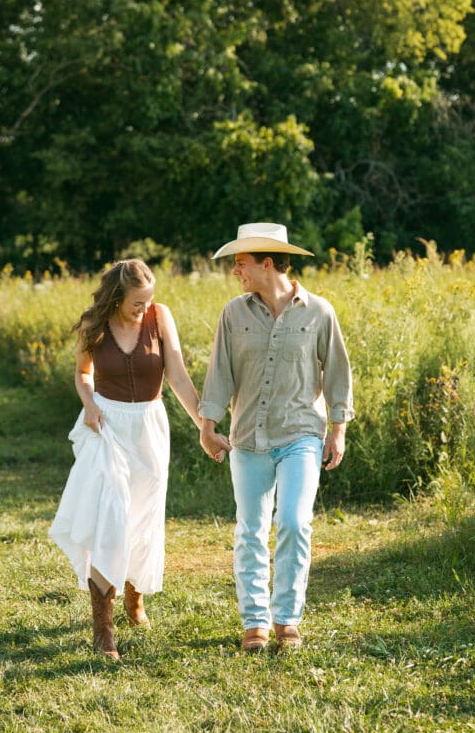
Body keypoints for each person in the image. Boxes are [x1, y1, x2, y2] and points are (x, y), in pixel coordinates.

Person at [199, 223, 354, 652]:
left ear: (267, 264)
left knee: (292, 521)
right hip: (247, 437)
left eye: (241, 263)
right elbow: (220, 372)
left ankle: (287, 618)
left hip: (301, 433)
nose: (236, 272)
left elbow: (338, 373)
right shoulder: (234, 313)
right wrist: (207, 426)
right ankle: (255, 623)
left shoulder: (319, 311)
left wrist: (337, 429)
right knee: (250, 529)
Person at [49, 258, 204, 661]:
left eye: (148, 300)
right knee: (111, 517)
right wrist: (88, 404)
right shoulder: (93, 324)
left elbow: (178, 376)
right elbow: (83, 373)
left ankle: (135, 598)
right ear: (117, 297)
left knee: (143, 516)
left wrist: (205, 423)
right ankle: (104, 630)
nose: (144, 308)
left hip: (150, 427)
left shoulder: (161, 317)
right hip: (108, 425)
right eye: (137, 302)